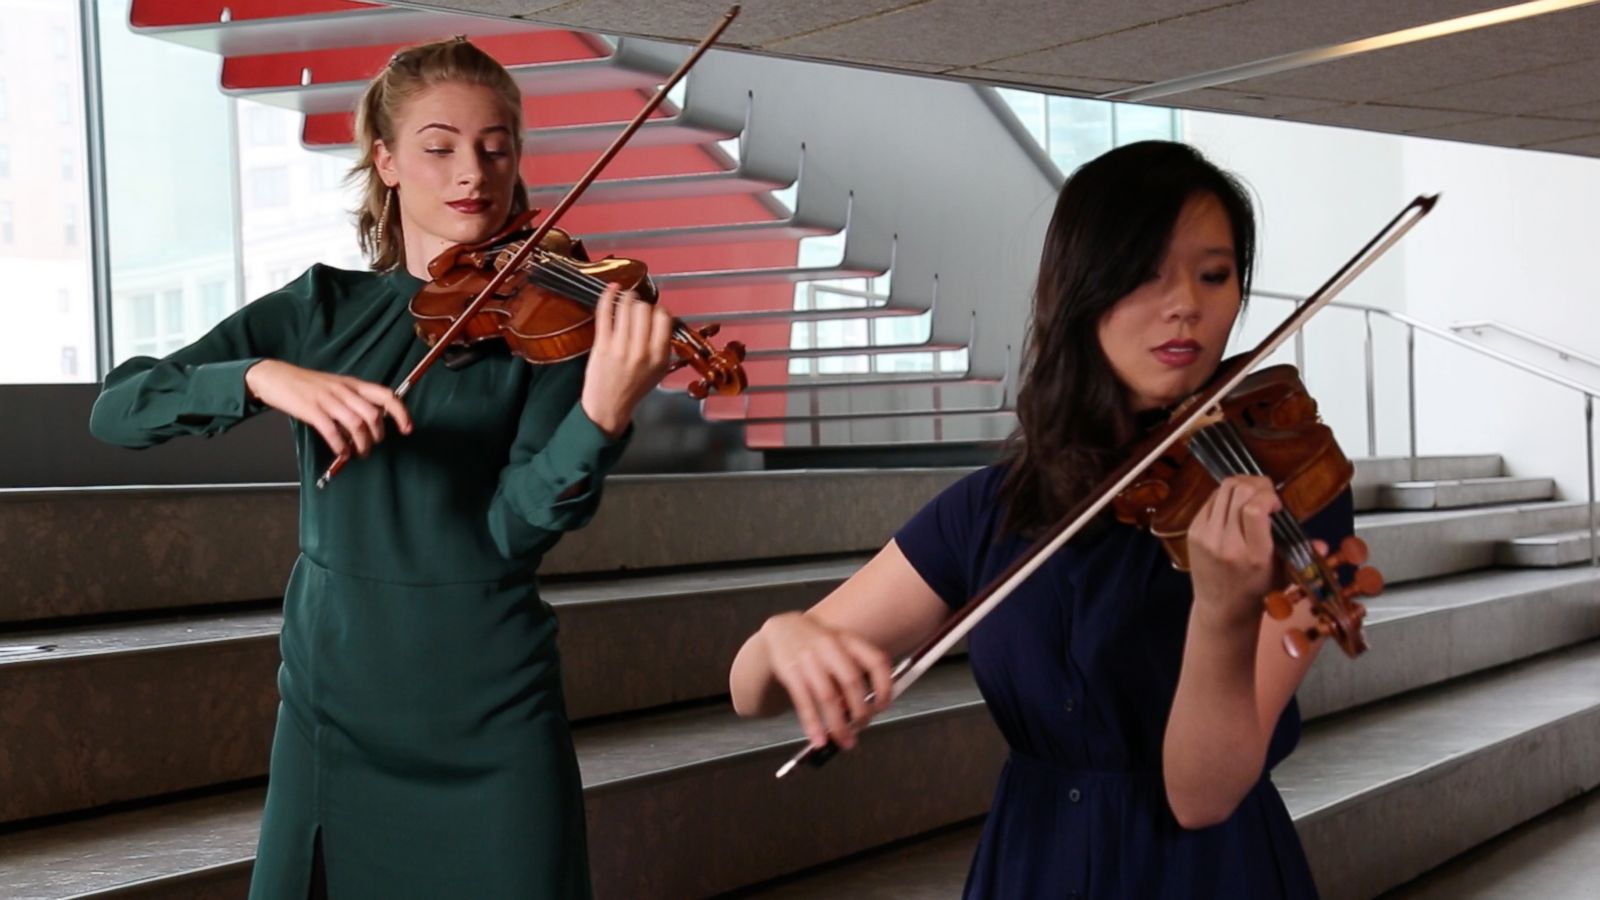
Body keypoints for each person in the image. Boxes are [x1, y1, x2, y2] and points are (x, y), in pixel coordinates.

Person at [90, 38, 672, 899]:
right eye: (439, 147)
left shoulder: (551, 323)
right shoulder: (320, 310)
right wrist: (260, 375)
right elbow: (119, 409)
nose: (472, 170)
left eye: (496, 145)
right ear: (387, 160)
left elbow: (513, 530)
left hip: (491, 715)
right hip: (337, 713)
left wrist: (601, 415)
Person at [729, 140, 1351, 898]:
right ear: (1082, 291)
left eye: (1214, 275)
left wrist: (1222, 615)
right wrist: (783, 636)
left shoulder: (1288, 497)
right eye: (1147, 273)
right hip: (1034, 870)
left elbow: (1203, 795)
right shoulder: (989, 510)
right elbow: (749, 690)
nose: (1186, 302)